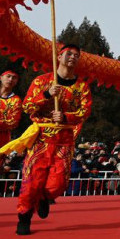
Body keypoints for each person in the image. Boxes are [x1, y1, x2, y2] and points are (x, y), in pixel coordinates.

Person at [7, 44, 92, 235]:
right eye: (68, 54)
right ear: (59, 57)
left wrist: (65, 117)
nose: (72, 57)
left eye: (76, 55)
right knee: (31, 182)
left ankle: (45, 197)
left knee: (59, 183)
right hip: (41, 139)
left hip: (65, 139)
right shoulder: (42, 81)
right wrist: (46, 95)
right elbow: (28, 106)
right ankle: (24, 218)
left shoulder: (82, 87)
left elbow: (85, 111)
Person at [0, 70, 21, 166]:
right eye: (8, 76)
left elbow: (14, 122)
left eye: (14, 78)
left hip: (3, 139)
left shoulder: (16, 100)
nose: (11, 79)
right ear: (1, 77)